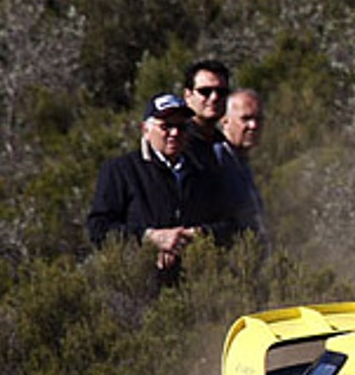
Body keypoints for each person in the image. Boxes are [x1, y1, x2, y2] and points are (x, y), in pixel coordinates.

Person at [86, 93, 236, 281]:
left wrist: (196, 235)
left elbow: (231, 225)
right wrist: (150, 238)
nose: (175, 133)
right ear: (146, 130)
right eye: (166, 126)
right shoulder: (121, 170)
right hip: (137, 283)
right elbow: (99, 228)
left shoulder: (204, 171)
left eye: (181, 127)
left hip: (198, 282)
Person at [215, 86, 268, 240]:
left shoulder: (241, 162)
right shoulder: (217, 159)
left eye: (258, 119)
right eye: (245, 119)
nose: (253, 126)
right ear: (225, 121)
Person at [182, 57, 232, 159]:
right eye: (205, 91)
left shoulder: (226, 148)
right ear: (188, 95)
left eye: (221, 92)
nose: (214, 97)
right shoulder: (177, 143)